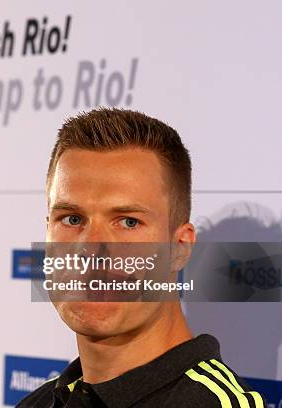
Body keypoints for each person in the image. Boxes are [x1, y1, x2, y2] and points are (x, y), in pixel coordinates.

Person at [18, 108, 266, 407]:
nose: (89, 251)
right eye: (71, 219)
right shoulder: (39, 402)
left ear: (180, 247)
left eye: (128, 222)